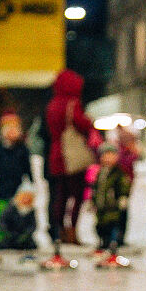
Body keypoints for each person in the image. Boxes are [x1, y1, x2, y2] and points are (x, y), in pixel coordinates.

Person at [44, 68, 94, 249]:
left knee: (61, 196)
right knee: (77, 196)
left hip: (57, 155)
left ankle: (59, 231)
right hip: (73, 156)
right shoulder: (72, 103)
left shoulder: (52, 105)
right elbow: (82, 124)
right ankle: (72, 231)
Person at [0, 111, 33, 244]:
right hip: (3, 188)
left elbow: (27, 168)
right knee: (1, 213)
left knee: (19, 214)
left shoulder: (22, 150)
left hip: (18, 188)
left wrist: (31, 182)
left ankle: (17, 237)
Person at [91, 142, 131, 259]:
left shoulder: (119, 173)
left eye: (111, 155)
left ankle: (114, 243)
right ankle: (103, 242)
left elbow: (123, 186)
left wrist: (123, 197)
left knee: (113, 224)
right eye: (105, 155)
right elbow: (96, 188)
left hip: (113, 206)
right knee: (100, 226)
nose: (108, 158)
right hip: (101, 205)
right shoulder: (100, 173)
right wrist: (93, 201)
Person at [0, 181, 38, 254]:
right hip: (11, 236)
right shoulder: (11, 208)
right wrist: (9, 233)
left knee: (31, 245)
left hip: (24, 238)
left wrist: (25, 235)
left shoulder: (31, 211)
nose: (26, 199)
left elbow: (33, 225)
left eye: (28, 197)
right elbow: (2, 222)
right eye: (24, 197)